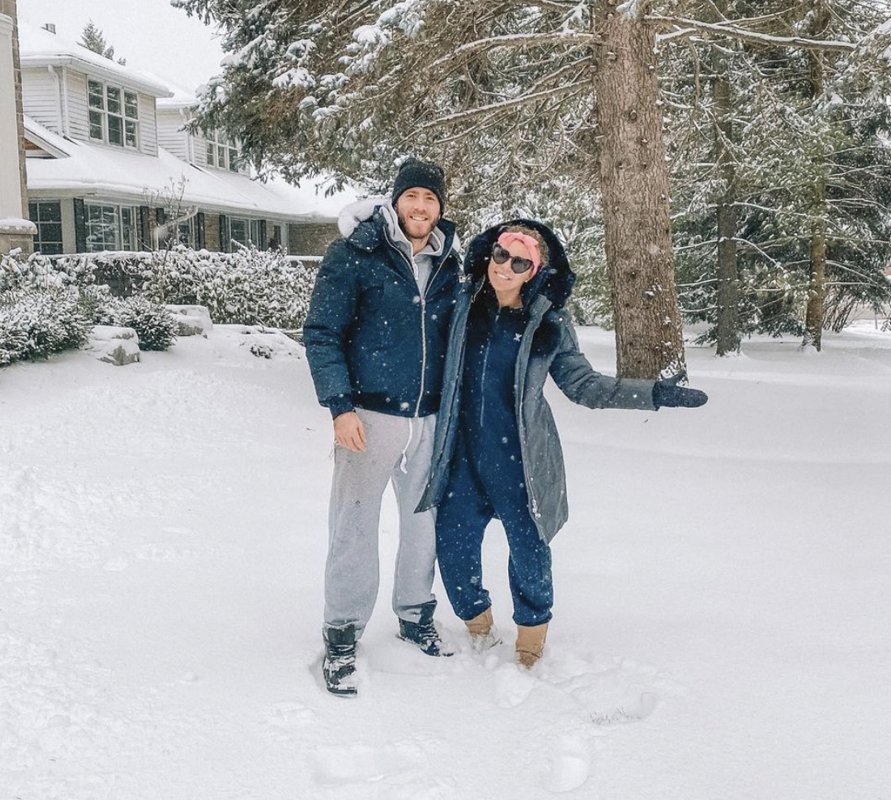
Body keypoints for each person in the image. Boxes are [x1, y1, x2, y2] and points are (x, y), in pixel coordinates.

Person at [417, 220, 707, 669]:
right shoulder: (462, 306)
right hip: (463, 458)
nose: (505, 268)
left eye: (519, 262)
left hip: (522, 463)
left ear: (532, 271)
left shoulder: (547, 323)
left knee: (530, 554)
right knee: (453, 548)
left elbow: (584, 385)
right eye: (500, 256)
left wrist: (653, 393)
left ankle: (531, 637)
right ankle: (477, 625)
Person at [303, 158, 465, 696]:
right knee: (354, 523)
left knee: (423, 523)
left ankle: (416, 613)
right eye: (413, 196)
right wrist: (339, 406)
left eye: (431, 200)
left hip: (431, 417)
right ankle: (343, 632)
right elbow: (322, 333)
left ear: (441, 208)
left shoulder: (450, 263)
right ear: (396, 201)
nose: (421, 208)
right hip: (368, 418)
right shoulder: (355, 255)